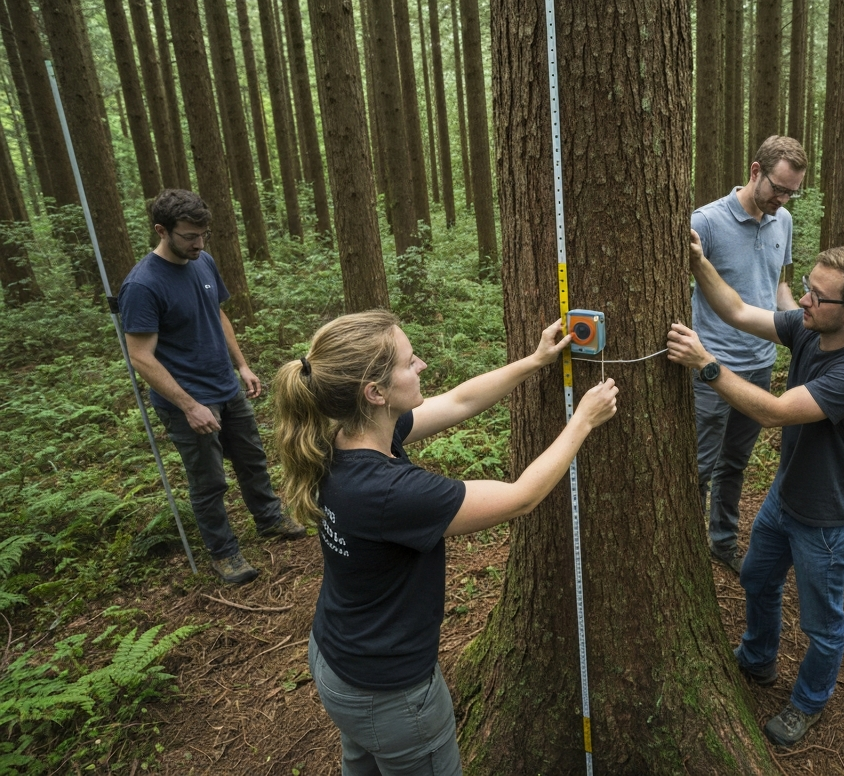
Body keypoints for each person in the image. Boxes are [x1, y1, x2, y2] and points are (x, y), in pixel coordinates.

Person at [273, 311, 618, 775]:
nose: (422, 367)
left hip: (337, 659)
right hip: (392, 693)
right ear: (374, 393)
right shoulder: (390, 493)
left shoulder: (340, 437)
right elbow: (520, 499)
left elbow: (458, 401)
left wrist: (533, 362)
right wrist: (582, 422)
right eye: (409, 362)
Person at [667, 235, 844, 747]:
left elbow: (772, 412)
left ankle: (808, 703)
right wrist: (699, 262)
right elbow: (740, 311)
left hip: (829, 520)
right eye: (808, 289)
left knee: (821, 622)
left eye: (818, 295)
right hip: (784, 499)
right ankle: (757, 659)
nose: (804, 301)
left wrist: (706, 363)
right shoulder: (812, 328)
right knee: (756, 580)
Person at [120, 189, 306, 585]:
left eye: (203, 234)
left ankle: (269, 519)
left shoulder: (203, 261)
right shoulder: (142, 285)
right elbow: (141, 356)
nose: (198, 243)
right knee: (208, 481)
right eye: (189, 236)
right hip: (188, 399)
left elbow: (217, 313)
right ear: (161, 230)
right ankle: (224, 553)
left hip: (226, 386)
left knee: (252, 459)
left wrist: (242, 366)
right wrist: (189, 405)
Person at [692, 134, 802, 573]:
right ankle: (688, 550)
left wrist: (799, 329)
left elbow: (778, 284)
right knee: (699, 467)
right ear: (756, 171)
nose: (783, 198)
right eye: (778, 187)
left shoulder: (784, 221)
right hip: (711, 365)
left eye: (792, 191)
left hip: (760, 364)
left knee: (734, 463)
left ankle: (722, 542)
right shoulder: (707, 222)